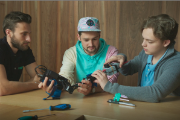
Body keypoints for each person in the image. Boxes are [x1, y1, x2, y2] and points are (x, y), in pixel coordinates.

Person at [92, 14, 180, 103]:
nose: (143, 44)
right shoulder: (146, 53)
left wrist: (109, 86)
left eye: (149, 41)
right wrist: (121, 59)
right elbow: (128, 69)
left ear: (165, 42)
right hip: (144, 107)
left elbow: (154, 94)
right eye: (143, 39)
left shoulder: (176, 63)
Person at [39, 17, 119, 96]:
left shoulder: (111, 52)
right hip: (78, 100)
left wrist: (92, 89)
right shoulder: (71, 53)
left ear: (99, 35)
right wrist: (56, 86)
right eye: (86, 40)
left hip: (104, 100)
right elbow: (66, 75)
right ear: (78, 37)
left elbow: (111, 81)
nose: (91, 44)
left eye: (94, 39)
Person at [0, 11, 40, 96]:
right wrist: (34, 84)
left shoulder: (24, 49)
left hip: (10, 99)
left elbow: (40, 78)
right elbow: (3, 88)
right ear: (9, 33)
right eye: (24, 34)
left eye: (29, 34)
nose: (29, 39)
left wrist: (12, 87)